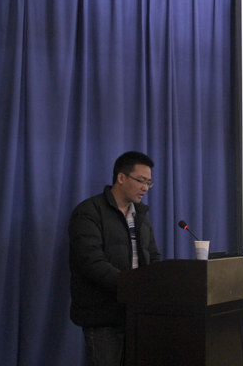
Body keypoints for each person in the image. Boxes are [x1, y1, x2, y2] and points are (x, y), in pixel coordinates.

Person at [69, 151, 161, 366]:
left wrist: (156, 286)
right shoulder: (89, 211)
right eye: (141, 181)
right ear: (121, 177)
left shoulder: (140, 215)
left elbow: (153, 256)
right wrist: (131, 287)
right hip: (103, 316)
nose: (145, 188)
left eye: (149, 183)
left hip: (138, 315)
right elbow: (91, 262)